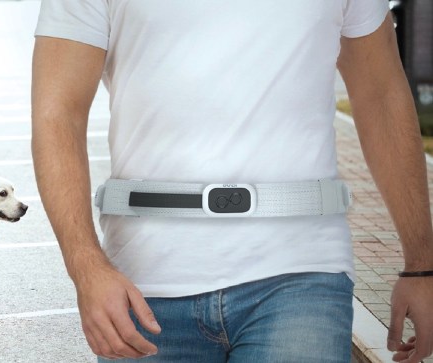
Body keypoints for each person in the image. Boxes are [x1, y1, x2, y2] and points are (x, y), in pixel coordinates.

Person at [31, 2, 433, 362]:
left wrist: (422, 265)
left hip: (302, 271)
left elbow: (380, 94)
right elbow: (57, 114)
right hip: (143, 284)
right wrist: (86, 268)